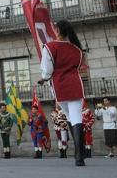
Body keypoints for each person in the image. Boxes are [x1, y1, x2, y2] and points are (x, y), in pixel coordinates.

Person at [39, 20, 87, 166]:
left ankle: (79, 154)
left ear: (57, 30)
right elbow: (78, 66)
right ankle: (79, 156)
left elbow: (47, 70)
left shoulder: (49, 46)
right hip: (75, 84)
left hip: (60, 86)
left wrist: (44, 78)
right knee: (76, 118)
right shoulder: (77, 49)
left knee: (70, 117)